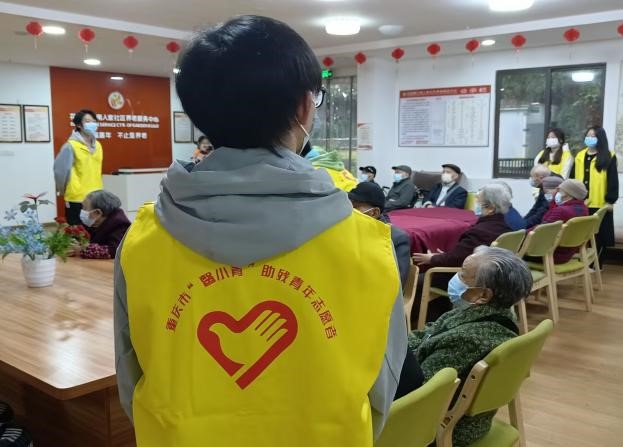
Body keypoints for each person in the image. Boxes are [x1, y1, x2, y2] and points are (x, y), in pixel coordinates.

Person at [114, 16, 407, 447]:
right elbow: (382, 387)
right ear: (305, 108)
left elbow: (131, 378)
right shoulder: (369, 245)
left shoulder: (142, 240)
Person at [409, 246, 532, 447]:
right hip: (469, 420)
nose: (456, 278)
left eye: (463, 274)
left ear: (483, 294)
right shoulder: (497, 314)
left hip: (441, 428)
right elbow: (431, 331)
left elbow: (420, 395)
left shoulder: (466, 340)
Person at [411, 184, 511, 323]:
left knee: (417, 279)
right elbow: (462, 254)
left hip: (473, 279)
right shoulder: (506, 228)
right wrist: (445, 256)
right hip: (492, 277)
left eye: (478, 201)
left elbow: (457, 259)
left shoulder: (480, 231)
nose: (475, 205)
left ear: (491, 208)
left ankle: (421, 321)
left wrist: (432, 258)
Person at [571, 126, 619, 265]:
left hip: (600, 203)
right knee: (580, 234)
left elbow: (613, 180)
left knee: (599, 236)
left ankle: (597, 264)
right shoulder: (580, 156)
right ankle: (580, 263)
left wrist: (610, 200)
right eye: (588, 135)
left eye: (593, 136)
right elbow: (572, 178)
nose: (589, 138)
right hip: (581, 203)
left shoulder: (609, 156)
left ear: (600, 139)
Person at [349, 182, 411, 286]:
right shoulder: (349, 229)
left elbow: (397, 282)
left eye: (355, 207)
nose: (350, 211)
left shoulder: (396, 238)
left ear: (374, 213)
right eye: (348, 205)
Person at [54, 109, 103, 226]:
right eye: (88, 121)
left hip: (96, 197)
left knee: (95, 231)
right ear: (79, 125)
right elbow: (60, 172)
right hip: (77, 198)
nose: (92, 124)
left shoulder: (98, 145)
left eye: (94, 121)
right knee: (77, 232)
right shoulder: (70, 146)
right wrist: (64, 191)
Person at [538, 180, 589, 264]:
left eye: (559, 190)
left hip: (550, 254)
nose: (557, 192)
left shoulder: (561, 211)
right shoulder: (584, 209)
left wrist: (522, 235)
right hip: (567, 253)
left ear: (567, 193)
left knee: (514, 251)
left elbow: (540, 232)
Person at [69, 190, 131, 259]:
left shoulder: (120, 225)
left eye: (85, 208)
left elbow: (113, 251)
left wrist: (82, 250)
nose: (82, 211)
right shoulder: (93, 223)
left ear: (97, 213)